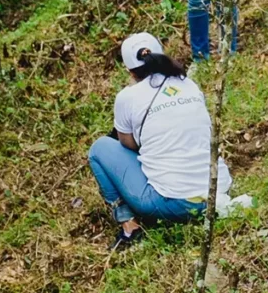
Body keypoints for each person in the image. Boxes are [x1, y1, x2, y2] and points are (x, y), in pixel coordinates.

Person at [87, 33, 212, 252]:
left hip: (178, 205)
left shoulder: (127, 97)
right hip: (215, 191)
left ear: (129, 70)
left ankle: (130, 227)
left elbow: (129, 145)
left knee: (99, 149)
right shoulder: (188, 83)